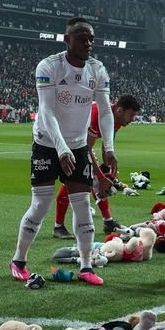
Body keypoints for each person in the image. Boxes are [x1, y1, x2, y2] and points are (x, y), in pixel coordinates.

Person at [10, 17, 116, 287]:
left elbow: (104, 110)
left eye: (91, 38)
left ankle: (86, 265)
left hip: (78, 146)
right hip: (47, 143)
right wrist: (60, 148)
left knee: (82, 205)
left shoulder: (97, 69)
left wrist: (109, 147)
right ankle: (19, 260)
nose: (88, 43)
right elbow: (45, 110)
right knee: (41, 204)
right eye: (82, 38)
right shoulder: (49, 66)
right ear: (67, 39)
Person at [54, 94, 141, 238]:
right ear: (119, 111)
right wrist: (101, 176)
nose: (132, 119)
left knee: (95, 177)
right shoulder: (97, 115)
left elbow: (107, 143)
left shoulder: (116, 119)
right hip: (64, 139)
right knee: (76, 178)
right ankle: (58, 226)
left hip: (79, 140)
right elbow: (86, 149)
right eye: (131, 115)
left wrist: (107, 169)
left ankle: (108, 221)